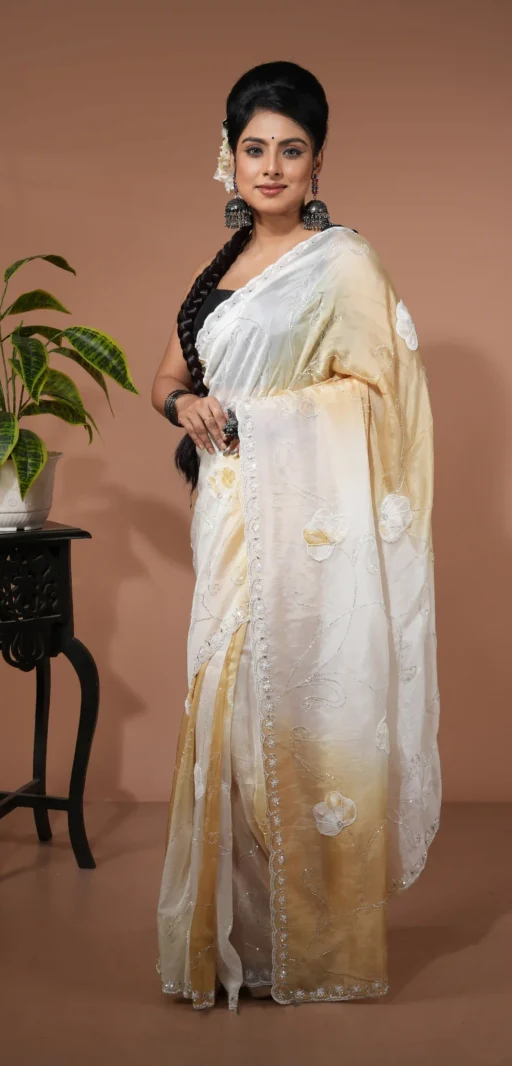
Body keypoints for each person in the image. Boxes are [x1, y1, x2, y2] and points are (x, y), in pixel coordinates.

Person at [151, 60, 441, 1012]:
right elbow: (166, 380)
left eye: (291, 150)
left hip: (303, 531)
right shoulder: (220, 269)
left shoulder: (342, 263)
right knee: (222, 708)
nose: (270, 168)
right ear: (228, 158)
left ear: (318, 163)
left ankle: (304, 945)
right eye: (254, 149)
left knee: (291, 714)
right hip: (229, 520)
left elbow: (378, 396)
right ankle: (228, 939)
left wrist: (259, 419)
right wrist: (189, 405)